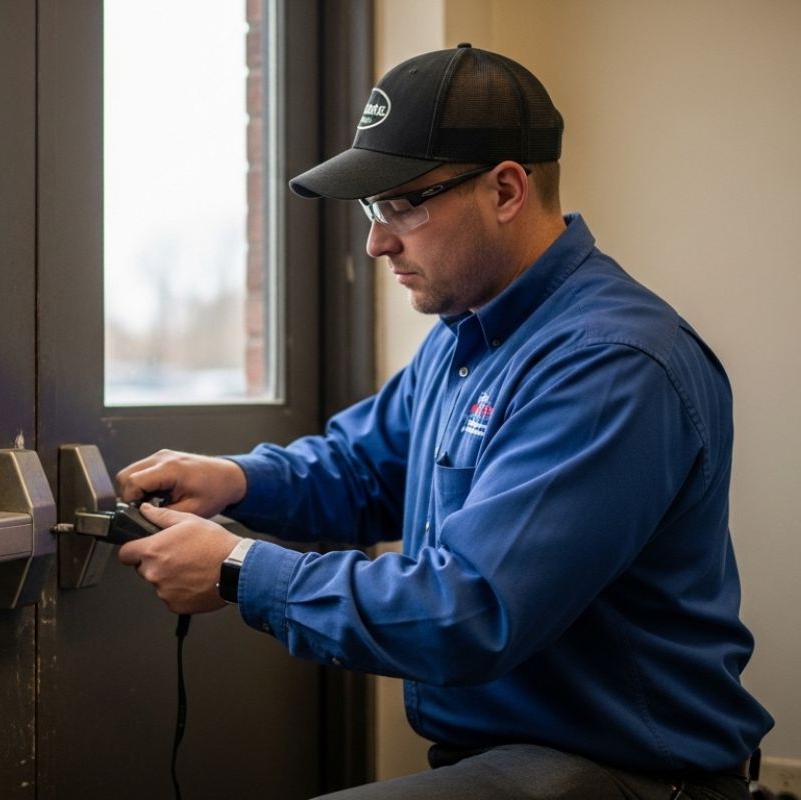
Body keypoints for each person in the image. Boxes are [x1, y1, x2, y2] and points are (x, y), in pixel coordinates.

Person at [115, 44, 773, 799]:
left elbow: (472, 610)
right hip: (515, 759)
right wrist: (235, 480)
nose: (377, 240)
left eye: (402, 204)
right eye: (373, 207)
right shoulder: (466, 337)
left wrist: (238, 570)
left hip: (634, 775)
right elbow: (363, 469)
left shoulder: (611, 364)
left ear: (504, 190)